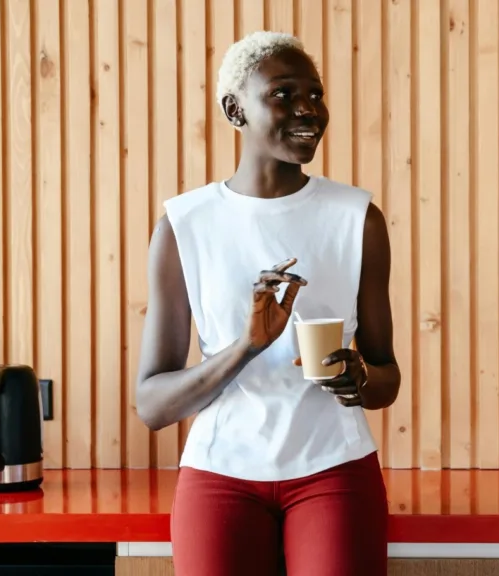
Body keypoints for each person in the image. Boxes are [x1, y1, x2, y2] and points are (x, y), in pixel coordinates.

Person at [135, 31, 398, 576]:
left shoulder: (357, 219)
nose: (308, 109)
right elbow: (154, 405)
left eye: (316, 94)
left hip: (334, 470)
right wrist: (247, 346)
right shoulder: (185, 226)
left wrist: (359, 380)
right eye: (282, 94)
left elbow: (387, 377)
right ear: (236, 109)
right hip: (219, 474)